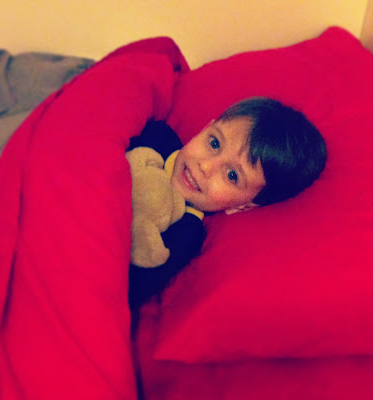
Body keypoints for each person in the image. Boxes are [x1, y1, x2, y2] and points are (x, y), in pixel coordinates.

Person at [127, 97, 327, 310]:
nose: (205, 167)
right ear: (207, 127)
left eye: (232, 175)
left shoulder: (186, 233)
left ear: (244, 206)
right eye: (214, 143)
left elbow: (135, 284)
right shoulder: (156, 136)